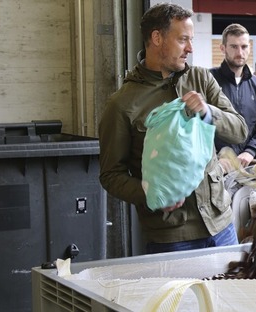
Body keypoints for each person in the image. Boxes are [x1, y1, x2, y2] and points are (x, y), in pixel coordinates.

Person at [98, 3, 248, 254]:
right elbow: (110, 175)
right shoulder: (122, 104)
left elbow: (240, 130)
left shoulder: (201, 79)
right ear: (157, 38)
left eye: (191, 40)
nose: (190, 48)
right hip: (172, 237)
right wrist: (150, 193)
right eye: (183, 40)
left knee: (228, 293)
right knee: (181, 296)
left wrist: (208, 112)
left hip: (222, 226)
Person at [210, 23, 256, 167]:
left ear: (249, 48)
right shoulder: (209, 80)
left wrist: (250, 151)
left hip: (248, 165)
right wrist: (214, 156)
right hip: (216, 166)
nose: (240, 52)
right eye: (234, 46)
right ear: (223, 48)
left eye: (244, 47)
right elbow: (200, 125)